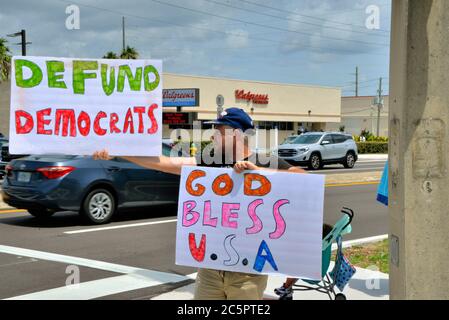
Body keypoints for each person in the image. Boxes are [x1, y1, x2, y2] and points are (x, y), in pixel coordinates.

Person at [93, 107, 306, 300]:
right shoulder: (209, 161)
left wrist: (259, 173)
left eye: (220, 130)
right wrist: (120, 152)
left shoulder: (264, 161)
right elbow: (166, 163)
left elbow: (302, 177)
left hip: (247, 271)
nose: (214, 134)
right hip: (210, 270)